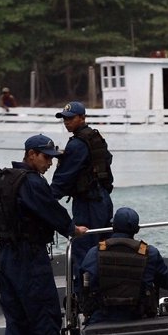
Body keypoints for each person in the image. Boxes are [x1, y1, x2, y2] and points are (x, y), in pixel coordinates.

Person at [0, 134, 88, 335]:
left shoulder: (3, 179)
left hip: (6, 256)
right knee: (44, 315)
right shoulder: (32, 182)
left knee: (17, 319)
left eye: (53, 159)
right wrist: (73, 229)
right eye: (46, 157)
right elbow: (51, 211)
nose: (49, 163)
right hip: (29, 257)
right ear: (31, 154)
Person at [80, 207, 168, 324]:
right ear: (137, 229)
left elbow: (82, 285)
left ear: (113, 226)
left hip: (101, 320)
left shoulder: (94, 252)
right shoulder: (150, 253)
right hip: (140, 319)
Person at [52, 101, 114, 275]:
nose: (66, 122)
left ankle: (82, 293)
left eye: (70, 118)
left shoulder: (77, 144)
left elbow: (63, 178)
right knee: (103, 245)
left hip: (88, 203)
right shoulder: (96, 137)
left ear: (82, 118)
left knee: (83, 248)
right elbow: (107, 160)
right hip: (102, 198)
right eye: (64, 119)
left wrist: (46, 200)